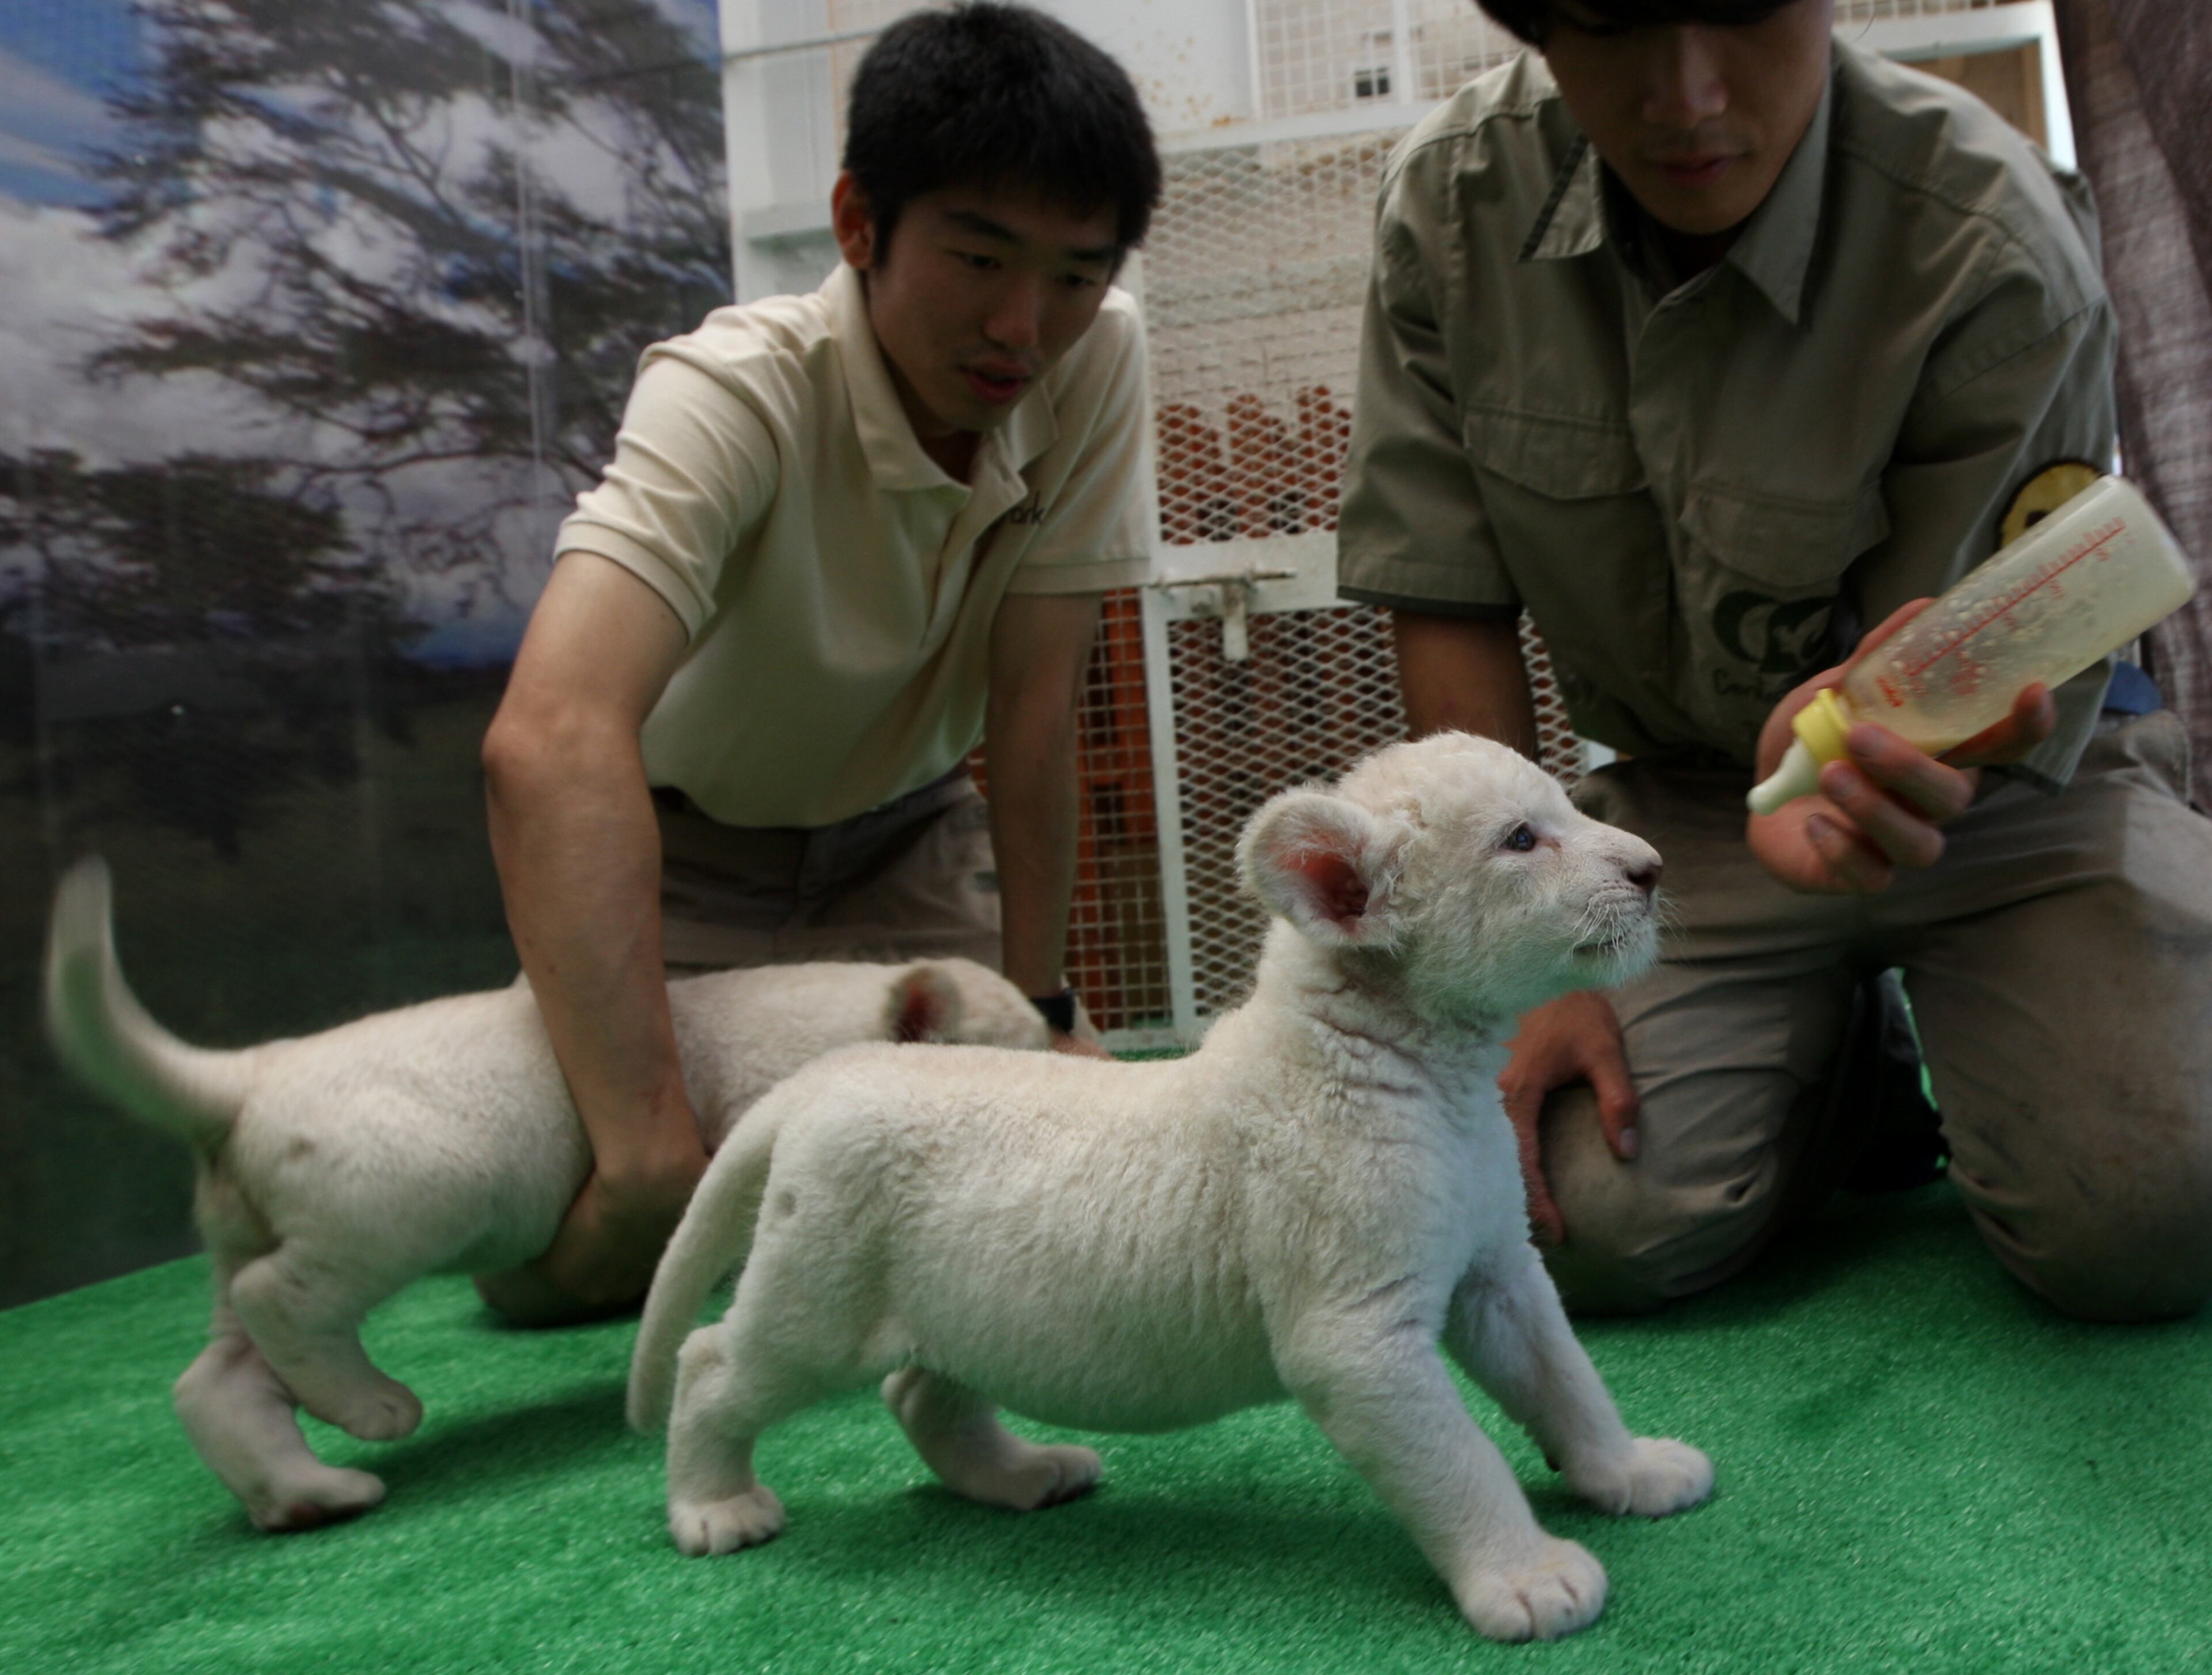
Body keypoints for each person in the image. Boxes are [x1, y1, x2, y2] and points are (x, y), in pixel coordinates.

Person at [1338, 0, 2212, 1321]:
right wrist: (1517, 966)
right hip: (1688, 800)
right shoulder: (1453, 209)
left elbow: (1984, 662)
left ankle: (1978, 1023)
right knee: (1577, 1215)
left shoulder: (1991, 233)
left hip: (2014, 790)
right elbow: (1449, 601)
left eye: (1744, 7)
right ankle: (1846, 1069)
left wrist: (1854, 744)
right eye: (1609, 20)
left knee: (2155, 1211)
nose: (1685, 92)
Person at [475, 2, 1161, 1322]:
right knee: (556, 1260)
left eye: (1075, 273)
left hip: (904, 853)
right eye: (977, 256)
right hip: (683, 875)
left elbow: (1031, 711)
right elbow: (549, 738)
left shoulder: (1099, 356)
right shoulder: (731, 388)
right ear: (859, 224)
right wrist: (644, 1148)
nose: (1025, 326)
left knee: (1034, 1197)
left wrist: (1038, 1003)